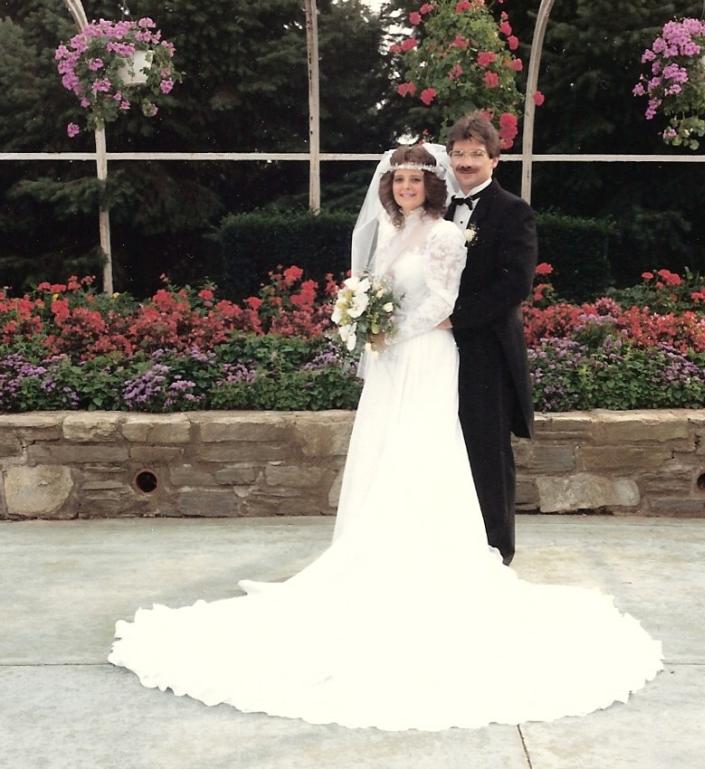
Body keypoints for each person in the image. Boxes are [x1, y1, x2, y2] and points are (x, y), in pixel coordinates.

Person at [108, 144, 663, 731]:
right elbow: (373, 289)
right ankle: (373, 551)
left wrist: (393, 331)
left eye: (415, 181)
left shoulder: (446, 235)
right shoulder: (390, 232)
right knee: (384, 451)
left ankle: (435, 561)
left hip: (426, 355)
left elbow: (443, 301)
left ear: (432, 185)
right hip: (391, 361)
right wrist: (362, 319)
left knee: (424, 452)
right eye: (398, 181)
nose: (405, 189)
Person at [443, 112, 537, 566]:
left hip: (487, 350)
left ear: (495, 160)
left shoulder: (512, 211)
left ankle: (498, 550)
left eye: (476, 154)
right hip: (438, 352)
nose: (465, 162)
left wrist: (454, 319)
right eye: (459, 153)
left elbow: (516, 284)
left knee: (488, 449)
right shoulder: (437, 208)